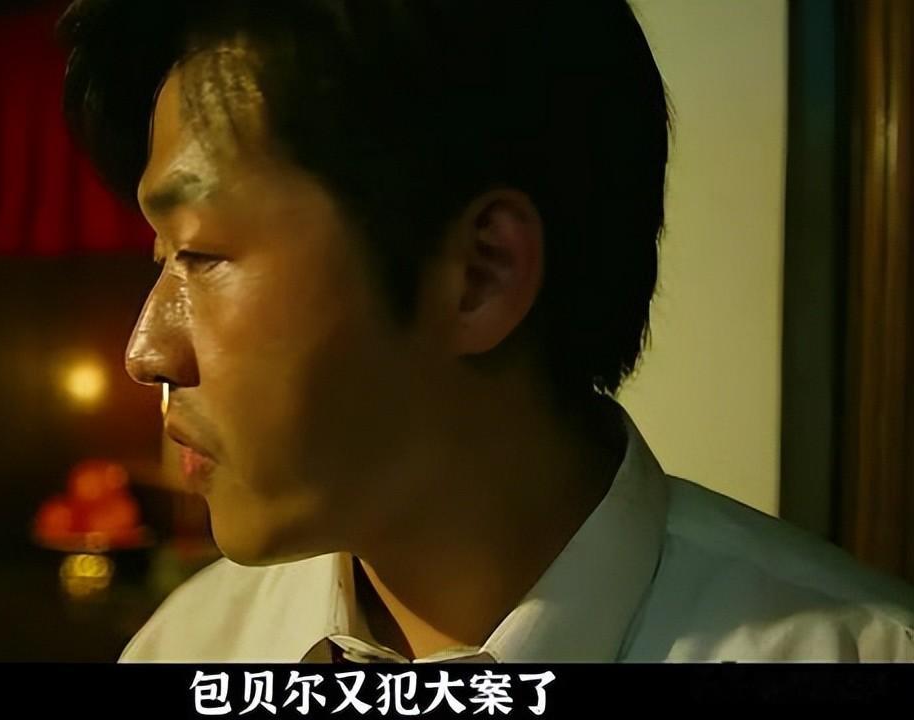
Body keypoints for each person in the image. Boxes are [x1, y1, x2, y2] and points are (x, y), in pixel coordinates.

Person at [58, 0, 913, 662]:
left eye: (201, 255)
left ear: (481, 275)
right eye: (160, 258)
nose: (146, 350)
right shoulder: (190, 647)